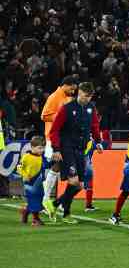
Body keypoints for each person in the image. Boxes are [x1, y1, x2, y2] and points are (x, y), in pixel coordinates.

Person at [48, 81, 104, 223]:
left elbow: (95, 125)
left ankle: (55, 205)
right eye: (85, 96)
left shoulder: (91, 108)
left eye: (89, 97)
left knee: (79, 185)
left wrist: (98, 142)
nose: (87, 99)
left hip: (81, 149)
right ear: (79, 92)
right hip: (67, 148)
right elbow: (54, 130)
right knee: (73, 181)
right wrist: (56, 149)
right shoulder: (67, 109)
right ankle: (65, 214)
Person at [39, 74, 79, 215]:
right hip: (53, 137)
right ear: (65, 85)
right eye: (71, 89)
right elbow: (44, 115)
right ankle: (46, 200)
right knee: (57, 166)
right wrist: (61, 117)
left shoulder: (67, 98)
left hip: (65, 138)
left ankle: (55, 201)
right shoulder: (54, 97)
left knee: (59, 168)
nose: (73, 92)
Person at [19, 136, 48, 226]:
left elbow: (46, 165)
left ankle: (25, 211)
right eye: (39, 148)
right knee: (34, 199)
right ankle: (35, 219)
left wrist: (54, 162)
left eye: (43, 148)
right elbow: (19, 167)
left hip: (38, 182)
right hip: (29, 183)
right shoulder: (26, 157)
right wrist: (25, 175)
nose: (42, 150)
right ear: (32, 147)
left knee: (39, 197)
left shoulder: (42, 157)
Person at [82, 135, 97, 212]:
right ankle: (88, 206)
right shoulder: (92, 141)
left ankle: (89, 205)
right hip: (85, 162)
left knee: (74, 185)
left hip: (80, 161)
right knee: (88, 184)